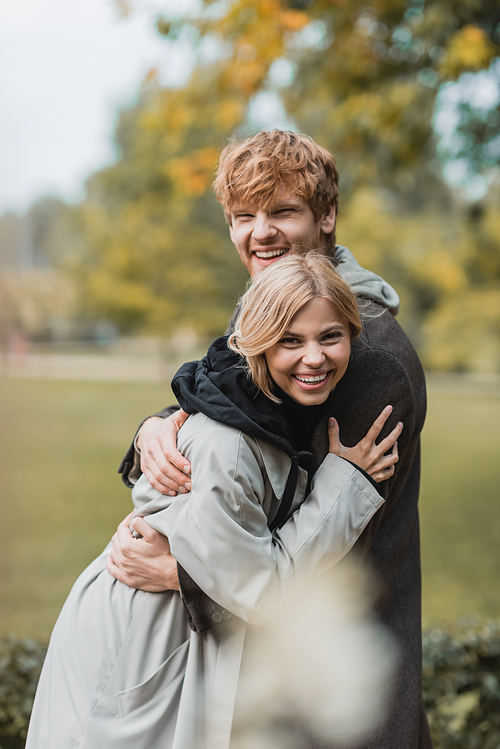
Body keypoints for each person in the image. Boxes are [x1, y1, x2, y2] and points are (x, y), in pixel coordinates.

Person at [110, 130, 431, 748]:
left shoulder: (366, 354)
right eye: (242, 217)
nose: (261, 234)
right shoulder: (275, 309)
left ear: (327, 216)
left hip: (340, 696)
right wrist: (153, 430)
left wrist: (187, 577)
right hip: (269, 683)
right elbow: (223, 403)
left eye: (282, 211)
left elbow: (344, 554)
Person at [26, 254, 401, 749]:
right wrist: (345, 484)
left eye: (330, 336)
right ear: (258, 343)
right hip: (138, 642)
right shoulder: (230, 443)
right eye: (291, 339)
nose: (314, 357)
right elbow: (262, 590)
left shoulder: (258, 403)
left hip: (171, 630)